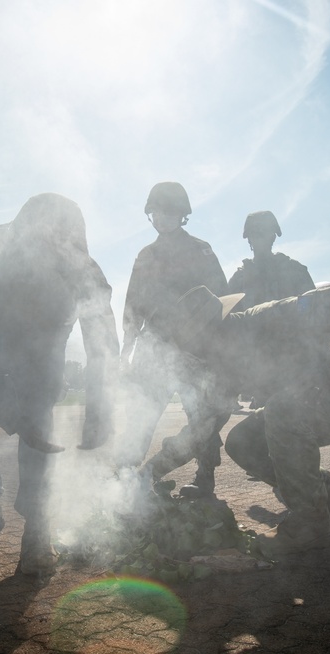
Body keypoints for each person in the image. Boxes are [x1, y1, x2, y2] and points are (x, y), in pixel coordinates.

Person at [142, 285, 330, 556]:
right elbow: (202, 429)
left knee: (282, 410)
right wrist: (150, 472)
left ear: (214, 329)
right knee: (242, 441)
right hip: (328, 399)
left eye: (196, 343)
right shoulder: (224, 366)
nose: (197, 353)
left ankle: (309, 524)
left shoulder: (272, 316)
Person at [0, 193, 119, 575]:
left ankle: (38, 531)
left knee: (38, 442)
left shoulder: (80, 263)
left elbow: (102, 338)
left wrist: (100, 408)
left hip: (40, 359)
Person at [116, 182, 228, 494]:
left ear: (182, 214)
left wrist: (215, 347)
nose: (162, 217)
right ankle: (123, 481)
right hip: (153, 351)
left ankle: (205, 480)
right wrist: (127, 347)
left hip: (195, 351)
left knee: (201, 419)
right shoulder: (146, 255)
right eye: (156, 211)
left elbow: (222, 297)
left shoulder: (200, 250)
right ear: (150, 215)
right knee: (141, 417)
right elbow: (132, 305)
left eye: (170, 211)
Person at [225, 210, 315, 310]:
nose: (260, 239)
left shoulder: (295, 271)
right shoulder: (238, 280)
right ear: (249, 239)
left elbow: (311, 309)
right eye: (256, 233)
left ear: (273, 237)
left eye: (263, 233)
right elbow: (228, 318)